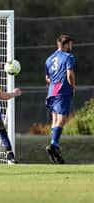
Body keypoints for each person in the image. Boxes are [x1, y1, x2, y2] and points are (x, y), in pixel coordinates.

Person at [45, 34, 76, 164]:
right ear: (65, 45)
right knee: (62, 118)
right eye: (70, 44)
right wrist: (73, 86)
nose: (71, 47)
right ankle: (54, 145)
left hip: (52, 90)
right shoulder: (69, 57)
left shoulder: (49, 59)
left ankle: (54, 146)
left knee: (55, 119)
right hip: (63, 90)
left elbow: (47, 78)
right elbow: (69, 74)